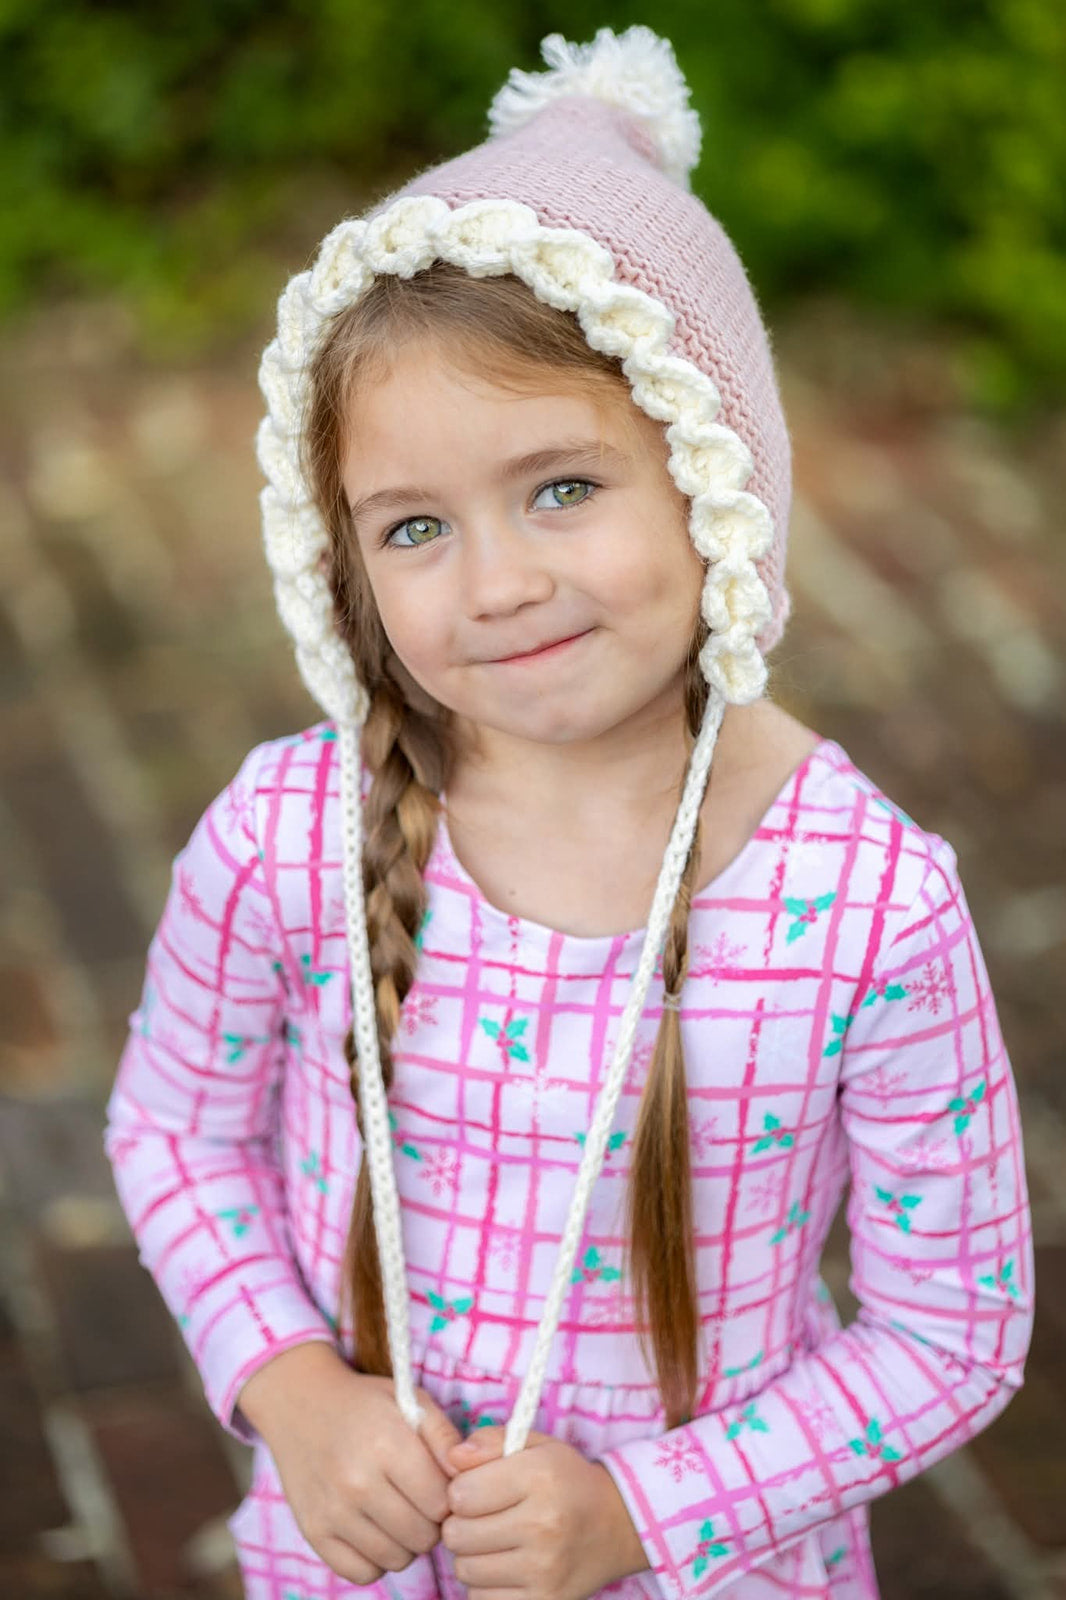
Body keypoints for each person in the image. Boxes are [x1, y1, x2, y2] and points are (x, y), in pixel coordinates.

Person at [103, 25, 1034, 1600]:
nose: (500, 583)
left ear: (712, 474)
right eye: (414, 525)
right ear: (346, 562)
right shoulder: (288, 835)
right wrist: (294, 1393)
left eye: (560, 487)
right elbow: (174, 1132)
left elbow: (951, 1331)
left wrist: (641, 1517)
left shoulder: (869, 907)